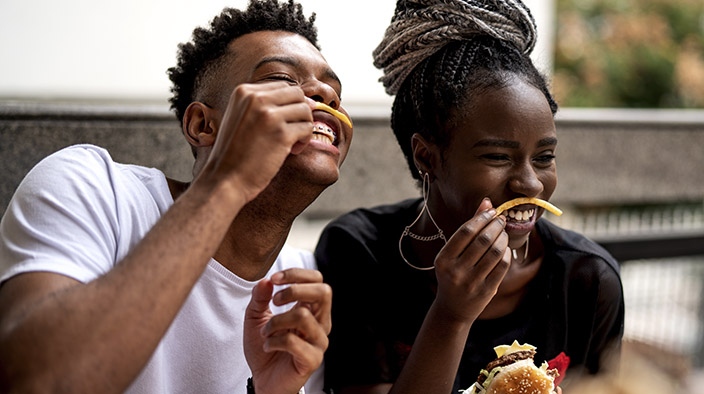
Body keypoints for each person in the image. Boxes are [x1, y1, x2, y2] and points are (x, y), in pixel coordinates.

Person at [0, 0, 353, 393]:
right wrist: (228, 181)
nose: (325, 94)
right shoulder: (92, 188)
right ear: (203, 125)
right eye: (284, 80)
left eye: (334, 91)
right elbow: (37, 380)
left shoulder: (300, 288)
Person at [314, 0, 624, 392]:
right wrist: (450, 316)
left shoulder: (587, 280)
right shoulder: (359, 252)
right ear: (427, 156)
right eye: (497, 156)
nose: (530, 183)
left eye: (544, 157)